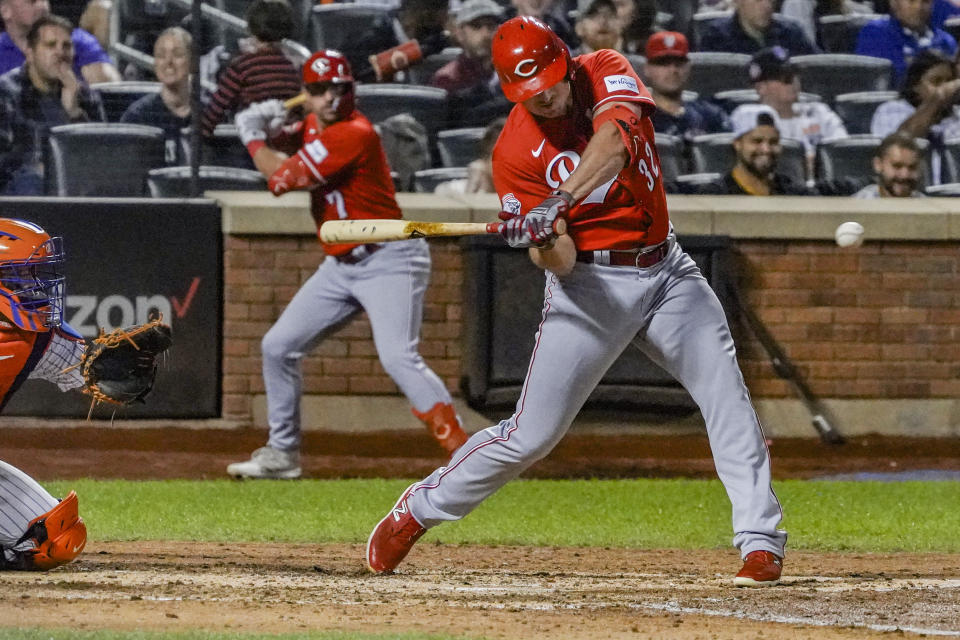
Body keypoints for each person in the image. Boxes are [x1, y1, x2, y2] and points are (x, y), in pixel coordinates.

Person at [365, 16, 787, 588]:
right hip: (591, 286)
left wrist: (559, 198)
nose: (546, 97)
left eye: (550, 83)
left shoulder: (604, 68)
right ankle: (418, 509)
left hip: (666, 268)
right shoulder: (514, 151)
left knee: (726, 397)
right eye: (531, 93)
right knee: (531, 435)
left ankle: (760, 542)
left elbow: (614, 143)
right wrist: (540, 237)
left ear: (564, 62)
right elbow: (559, 261)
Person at [226, 50, 469, 480]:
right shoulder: (314, 126)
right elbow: (296, 138)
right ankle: (282, 454)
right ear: (307, 94)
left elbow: (281, 180)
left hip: (390, 257)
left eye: (337, 89)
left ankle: (464, 454)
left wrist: (251, 135)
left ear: (350, 91)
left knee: (399, 358)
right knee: (277, 347)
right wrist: (270, 124)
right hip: (341, 265)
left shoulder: (355, 133)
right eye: (319, 91)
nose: (329, 98)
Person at [0, 217, 88, 571]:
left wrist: (114, 365)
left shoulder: (33, 337)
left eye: (36, 273)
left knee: (54, 537)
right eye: (21, 275)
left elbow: (92, 371)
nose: (34, 286)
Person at [0, 14, 105, 195]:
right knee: (33, 182)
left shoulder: (86, 95)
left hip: (74, 187)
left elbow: (102, 157)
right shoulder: (6, 92)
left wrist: (73, 112)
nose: (60, 53)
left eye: (67, 46)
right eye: (50, 45)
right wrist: (45, 168)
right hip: (17, 192)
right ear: (30, 53)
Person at [740, 46, 847, 180]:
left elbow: (841, 155)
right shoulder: (748, 122)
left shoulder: (819, 112)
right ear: (761, 87)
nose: (794, 82)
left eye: (794, 74)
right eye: (785, 78)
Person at [199, 0, 301, 138]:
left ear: (251, 27)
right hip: (287, 142)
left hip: (254, 142)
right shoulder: (292, 67)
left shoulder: (242, 65)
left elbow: (219, 105)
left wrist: (202, 132)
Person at [871, 49, 960, 183]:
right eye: (937, 81)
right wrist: (937, 98)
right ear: (915, 85)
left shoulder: (956, 116)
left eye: (949, 82)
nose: (946, 88)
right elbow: (899, 145)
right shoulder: (891, 110)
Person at [698, 104, 813, 195]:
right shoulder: (715, 195)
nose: (766, 149)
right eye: (757, 141)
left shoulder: (794, 193)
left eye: (773, 142)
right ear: (737, 144)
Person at [429, 0, 510, 128]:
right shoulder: (447, 79)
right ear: (460, 33)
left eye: (491, 26)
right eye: (476, 26)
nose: (486, 34)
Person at [120, 26, 191, 166]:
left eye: (177, 54)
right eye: (161, 55)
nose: (168, 62)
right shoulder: (137, 117)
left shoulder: (210, 113)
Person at [0, 0, 119, 83]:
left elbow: (110, 90)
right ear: (5, 11)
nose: (43, 6)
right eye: (33, 1)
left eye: (44, 0)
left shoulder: (78, 41)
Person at [644, 31, 731, 140]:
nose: (673, 70)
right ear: (647, 69)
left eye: (679, 63)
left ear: (688, 68)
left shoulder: (711, 116)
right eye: (663, 63)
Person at [856, 0, 958, 88]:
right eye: (911, 1)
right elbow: (894, 78)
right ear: (894, 2)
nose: (918, 7)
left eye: (925, 1)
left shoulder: (946, 41)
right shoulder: (875, 32)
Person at [698, 0, 820, 55]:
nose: (766, 5)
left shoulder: (791, 32)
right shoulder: (717, 37)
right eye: (758, 0)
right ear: (737, 2)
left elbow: (815, 69)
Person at [853, 131, 928, 197]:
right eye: (897, 166)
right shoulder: (856, 205)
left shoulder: (930, 210)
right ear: (878, 165)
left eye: (912, 167)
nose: (905, 175)